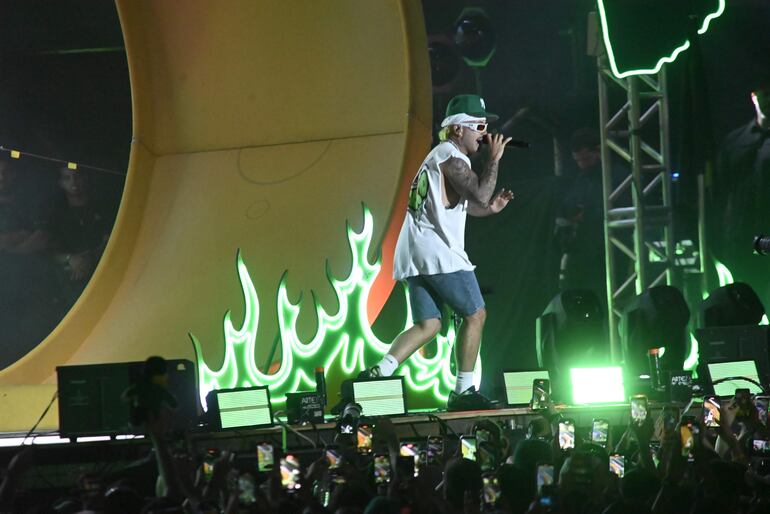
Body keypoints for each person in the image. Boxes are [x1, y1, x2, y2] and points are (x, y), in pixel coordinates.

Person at [359, 94, 514, 411]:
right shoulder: (451, 156)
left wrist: (492, 208)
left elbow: (463, 206)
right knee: (476, 314)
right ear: (458, 129)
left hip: (415, 253)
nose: (484, 135)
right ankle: (463, 391)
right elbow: (481, 193)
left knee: (428, 325)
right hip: (438, 252)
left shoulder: (440, 159)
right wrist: (495, 159)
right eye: (479, 126)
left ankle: (378, 374)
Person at [712, 75, 770, 306]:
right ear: (754, 97)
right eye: (766, 95)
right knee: (746, 297)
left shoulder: (736, 140)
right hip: (743, 237)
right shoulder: (735, 141)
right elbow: (721, 189)